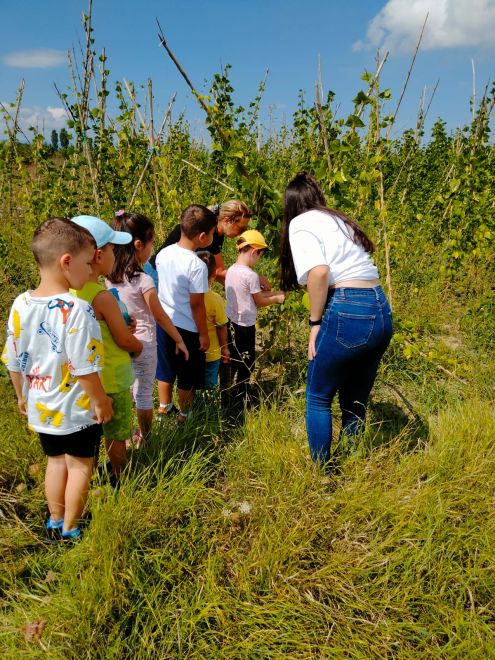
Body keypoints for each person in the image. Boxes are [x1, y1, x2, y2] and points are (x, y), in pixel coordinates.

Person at [2, 218, 113, 541]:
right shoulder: (77, 309)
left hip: (41, 407)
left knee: (55, 462)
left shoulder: (20, 304)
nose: (91, 271)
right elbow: (84, 367)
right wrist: (101, 401)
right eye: (87, 263)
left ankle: (54, 520)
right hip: (77, 410)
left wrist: (21, 395)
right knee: (80, 466)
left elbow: (13, 359)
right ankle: (71, 528)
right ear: (66, 262)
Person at [279, 172, 393, 465]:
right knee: (355, 400)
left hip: (349, 306)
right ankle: (351, 463)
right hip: (380, 306)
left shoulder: (300, 222)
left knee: (318, 396)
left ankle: (322, 473)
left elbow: (319, 272)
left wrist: (315, 323)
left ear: (290, 205)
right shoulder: (337, 219)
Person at [105, 211, 189, 445]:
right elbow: (159, 316)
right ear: (139, 244)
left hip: (122, 340)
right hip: (145, 343)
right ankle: (147, 438)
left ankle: (128, 433)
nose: (152, 248)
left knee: (128, 389)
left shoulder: (110, 277)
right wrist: (178, 339)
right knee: (143, 394)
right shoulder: (143, 280)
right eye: (152, 243)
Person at [72, 215, 143, 485]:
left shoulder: (71, 292)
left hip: (86, 381)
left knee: (88, 435)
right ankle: (119, 478)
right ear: (98, 255)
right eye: (113, 249)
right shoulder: (101, 297)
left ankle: (85, 481)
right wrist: (138, 346)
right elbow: (124, 340)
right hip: (113, 377)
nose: (116, 254)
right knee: (116, 434)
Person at [155, 205, 217, 421]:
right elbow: (197, 304)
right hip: (187, 329)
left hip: (164, 324)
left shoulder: (163, 253)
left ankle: (164, 408)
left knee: (165, 369)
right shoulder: (196, 265)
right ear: (203, 237)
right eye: (212, 233)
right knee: (186, 375)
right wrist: (204, 334)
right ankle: (185, 414)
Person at [225, 230, 285, 401]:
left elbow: (252, 295)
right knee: (248, 362)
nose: (259, 259)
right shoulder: (250, 275)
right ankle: (241, 395)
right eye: (260, 255)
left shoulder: (231, 270)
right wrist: (277, 299)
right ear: (254, 252)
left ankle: (229, 391)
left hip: (231, 322)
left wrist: (275, 293)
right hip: (245, 326)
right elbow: (259, 301)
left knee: (234, 358)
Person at [150, 200, 254, 285]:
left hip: (166, 275)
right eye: (241, 228)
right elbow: (218, 272)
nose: (242, 233)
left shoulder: (217, 233)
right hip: (157, 275)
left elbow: (218, 272)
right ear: (227, 220)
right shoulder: (209, 233)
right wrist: (249, 277)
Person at [196, 251, 230, 388]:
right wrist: (225, 348)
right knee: (209, 385)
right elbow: (221, 327)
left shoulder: (184, 296)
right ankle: (208, 400)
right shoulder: (215, 300)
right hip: (211, 354)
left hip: (191, 351)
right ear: (214, 275)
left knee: (191, 384)